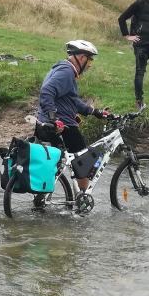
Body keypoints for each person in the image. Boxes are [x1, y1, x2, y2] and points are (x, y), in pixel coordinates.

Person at [35, 40, 111, 192]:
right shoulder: (66, 72)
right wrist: (53, 118)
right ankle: (83, 198)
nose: (90, 64)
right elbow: (46, 92)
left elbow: (72, 100)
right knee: (84, 164)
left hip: (44, 124)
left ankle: (48, 193)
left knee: (70, 161)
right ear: (82, 58)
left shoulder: (63, 69)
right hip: (62, 126)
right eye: (90, 60)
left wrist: (94, 111)